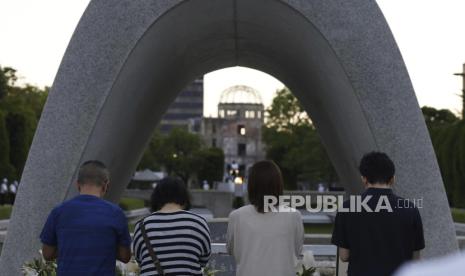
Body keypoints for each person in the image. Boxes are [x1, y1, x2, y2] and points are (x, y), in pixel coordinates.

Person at [331, 151, 425, 276]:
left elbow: (344, 255)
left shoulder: (348, 208)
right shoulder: (410, 209)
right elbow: (415, 258)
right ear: (392, 179)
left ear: (364, 179)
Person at [40, 160, 131, 275]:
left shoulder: (59, 212)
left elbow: (47, 254)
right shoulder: (116, 213)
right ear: (106, 185)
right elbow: (125, 256)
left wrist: (69, 247)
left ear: (78, 184)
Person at [226, 160, 304, 276]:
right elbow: (297, 251)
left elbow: (231, 250)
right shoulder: (294, 215)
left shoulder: (237, 216)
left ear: (251, 185)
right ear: (278, 185)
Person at [132, 177, 211, 275]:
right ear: (184, 196)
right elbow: (204, 259)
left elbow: (140, 260)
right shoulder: (199, 223)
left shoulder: (142, 226)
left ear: (156, 197)